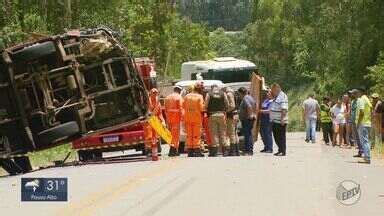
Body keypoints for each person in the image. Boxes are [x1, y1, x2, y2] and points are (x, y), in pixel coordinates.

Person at [205, 85, 229, 157]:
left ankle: (215, 152)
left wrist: (206, 109)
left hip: (212, 115)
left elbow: (206, 104)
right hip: (222, 115)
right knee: (223, 133)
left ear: (211, 88)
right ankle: (225, 151)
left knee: (214, 133)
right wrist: (224, 110)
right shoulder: (223, 93)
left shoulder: (209, 94)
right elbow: (227, 103)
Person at [183, 84, 205, 157]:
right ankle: (197, 150)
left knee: (189, 135)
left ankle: (190, 152)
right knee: (196, 135)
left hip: (187, 118)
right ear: (199, 90)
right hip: (196, 118)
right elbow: (202, 108)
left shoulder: (187, 96)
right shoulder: (200, 96)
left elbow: (183, 106)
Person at [144, 88, 165, 156]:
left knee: (156, 136)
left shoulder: (158, 102)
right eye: (154, 93)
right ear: (150, 93)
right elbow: (146, 112)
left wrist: (163, 121)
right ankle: (149, 150)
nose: (155, 94)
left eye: (156, 93)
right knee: (149, 137)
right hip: (149, 121)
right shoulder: (147, 101)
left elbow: (160, 113)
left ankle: (155, 150)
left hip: (156, 121)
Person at [164, 86, 183, 157]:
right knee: (175, 135)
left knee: (170, 135)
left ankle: (172, 149)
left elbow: (165, 109)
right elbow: (181, 108)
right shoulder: (179, 97)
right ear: (179, 91)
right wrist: (183, 118)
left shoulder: (167, 97)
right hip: (176, 119)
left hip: (169, 119)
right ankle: (173, 150)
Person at [270, 83, 288, 156]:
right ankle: (280, 149)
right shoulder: (277, 96)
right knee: (276, 136)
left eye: (272, 90)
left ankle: (283, 151)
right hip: (275, 120)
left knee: (281, 137)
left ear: (276, 89)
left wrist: (282, 119)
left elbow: (284, 108)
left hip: (280, 121)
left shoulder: (282, 96)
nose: (272, 92)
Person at [355, 88, 372, 164]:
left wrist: (358, 123)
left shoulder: (362, 99)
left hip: (363, 123)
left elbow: (361, 112)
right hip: (367, 122)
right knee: (366, 140)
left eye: (358, 92)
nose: (357, 93)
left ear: (361, 92)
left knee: (364, 141)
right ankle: (366, 157)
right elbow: (370, 109)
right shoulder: (367, 99)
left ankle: (367, 158)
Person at [238, 87, 257, 155]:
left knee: (247, 135)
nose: (239, 96)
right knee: (249, 134)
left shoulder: (245, 98)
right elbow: (255, 105)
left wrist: (250, 115)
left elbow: (249, 106)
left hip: (247, 119)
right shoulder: (250, 97)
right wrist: (254, 114)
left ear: (241, 93)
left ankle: (248, 150)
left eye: (239, 94)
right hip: (250, 119)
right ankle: (249, 150)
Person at [224, 86, 240, 156]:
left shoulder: (228, 94)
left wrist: (225, 111)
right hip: (235, 115)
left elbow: (232, 106)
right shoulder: (233, 94)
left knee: (231, 133)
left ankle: (232, 151)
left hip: (231, 116)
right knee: (235, 133)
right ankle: (236, 150)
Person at [350, 89, 363, 157]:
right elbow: (351, 111)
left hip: (358, 121)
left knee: (360, 136)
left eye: (353, 93)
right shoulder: (352, 101)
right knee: (356, 137)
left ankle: (362, 151)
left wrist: (359, 122)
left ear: (356, 94)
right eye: (352, 93)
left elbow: (361, 112)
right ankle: (360, 151)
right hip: (353, 121)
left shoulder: (360, 101)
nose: (352, 95)